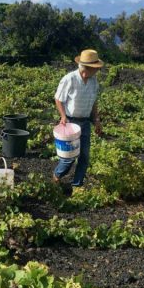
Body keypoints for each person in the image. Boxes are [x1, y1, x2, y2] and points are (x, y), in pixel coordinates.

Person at [53, 49, 103, 188]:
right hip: (70, 122)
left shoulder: (93, 82)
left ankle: (77, 185)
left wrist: (96, 120)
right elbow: (58, 99)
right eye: (95, 69)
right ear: (86, 69)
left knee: (84, 156)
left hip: (85, 122)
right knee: (68, 157)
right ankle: (57, 175)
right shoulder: (70, 79)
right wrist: (63, 116)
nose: (97, 71)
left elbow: (94, 102)